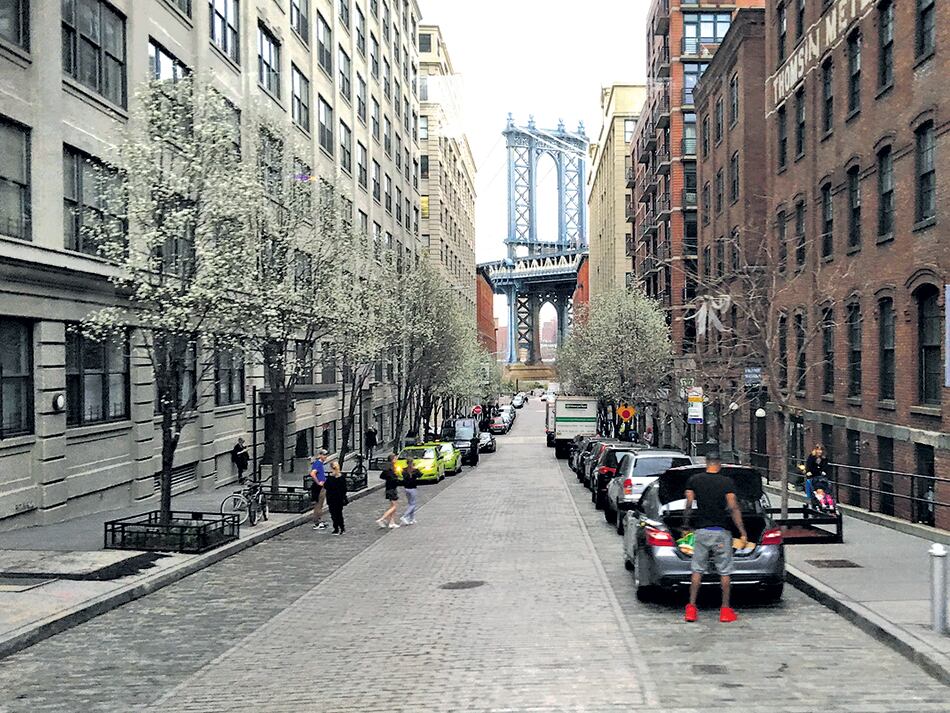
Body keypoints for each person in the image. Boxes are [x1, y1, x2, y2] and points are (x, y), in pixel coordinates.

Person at [682, 451, 748, 623]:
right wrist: (742, 531)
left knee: (697, 569)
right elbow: (733, 507)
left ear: (706, 462)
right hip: (721, 531)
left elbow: (688, 504)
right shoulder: (727, 482)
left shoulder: (694, 480)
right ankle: (725, 610)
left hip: (701, 531)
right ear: (719, 464)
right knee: (725, 571)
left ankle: (691, 608)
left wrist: (686, 525)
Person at [377, 454, 401, 529]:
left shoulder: (390, 468)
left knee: (392, 506)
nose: (396, 460)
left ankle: (392, 522)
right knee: (394, 506)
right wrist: (394, 479)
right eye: (395, 458)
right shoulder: (390, 469)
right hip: (391, 489)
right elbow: (392, 478)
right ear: (393, 459)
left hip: (390, 488)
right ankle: (382, 519)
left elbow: (382, 476)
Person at [324, 460, 348, 535]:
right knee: (336, 514)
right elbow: (326, 486)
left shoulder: (337, 478)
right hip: (334, 498)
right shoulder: (334, 478)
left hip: (336, 498)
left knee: (336, 514)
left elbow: (344, 489)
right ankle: (338, 528)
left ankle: (339, 528)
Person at [310, 449, 329, 531]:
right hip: (320, 487)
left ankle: (319, 520)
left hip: (321, 486)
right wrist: (318, 482)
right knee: (319, 505)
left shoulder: (320, 463)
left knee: (320, 504)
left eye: (326, 455)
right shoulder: (318, 463)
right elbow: (312, 473)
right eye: (324, 455)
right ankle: (317, 522)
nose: (326, 457)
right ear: (320, 455)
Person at [400, 459, 419, 525]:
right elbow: (420, 475)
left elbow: (403, 476)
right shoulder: (415, 470)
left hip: (406, 488)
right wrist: (416, 469)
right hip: (413, 488)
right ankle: (404, 516)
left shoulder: (404, 470)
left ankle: (412, 519)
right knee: (413, 504)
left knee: (410, 503)